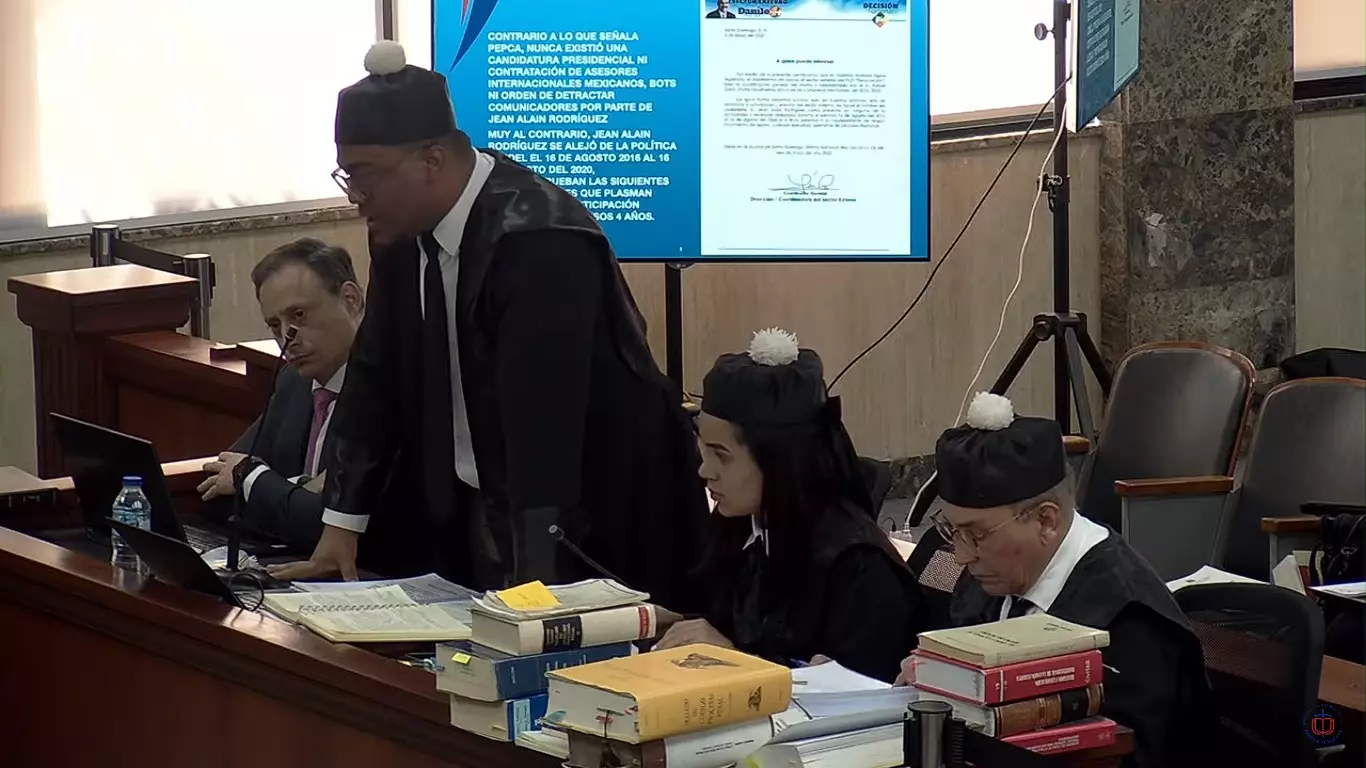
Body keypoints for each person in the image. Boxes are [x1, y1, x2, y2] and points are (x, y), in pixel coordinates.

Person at [269, 41, 706, 612]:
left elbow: (545, 438)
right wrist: (341, 526)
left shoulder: (537, 240)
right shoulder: (402, 226)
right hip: (483, 508)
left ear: (432, 161)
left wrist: (535, 600)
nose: (356, 198)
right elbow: (376, 372)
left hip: (599, 524)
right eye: (347, 176)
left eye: (366, 176)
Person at [898, 392, 1213, 768]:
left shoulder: (1129, 621)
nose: (962, 555)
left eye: (976, 535)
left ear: (1046, 521)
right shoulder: (980, 571)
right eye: (952, 530)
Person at [655, 329, 924, 682]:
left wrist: (735, 661)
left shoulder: (857, 570)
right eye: (702, 451)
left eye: (722, 456)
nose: (705, 471)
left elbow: (858, 696)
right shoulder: (737, 527)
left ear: (779, 461)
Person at [197, 238, 363, 551]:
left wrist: (257, 482)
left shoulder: (387, 391)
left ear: (350, 300)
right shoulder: (293, 382)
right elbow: (219, 487)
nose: (288, 338)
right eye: (275, 325)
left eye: (299, 315)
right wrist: (296, 491)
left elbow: (328, 525)